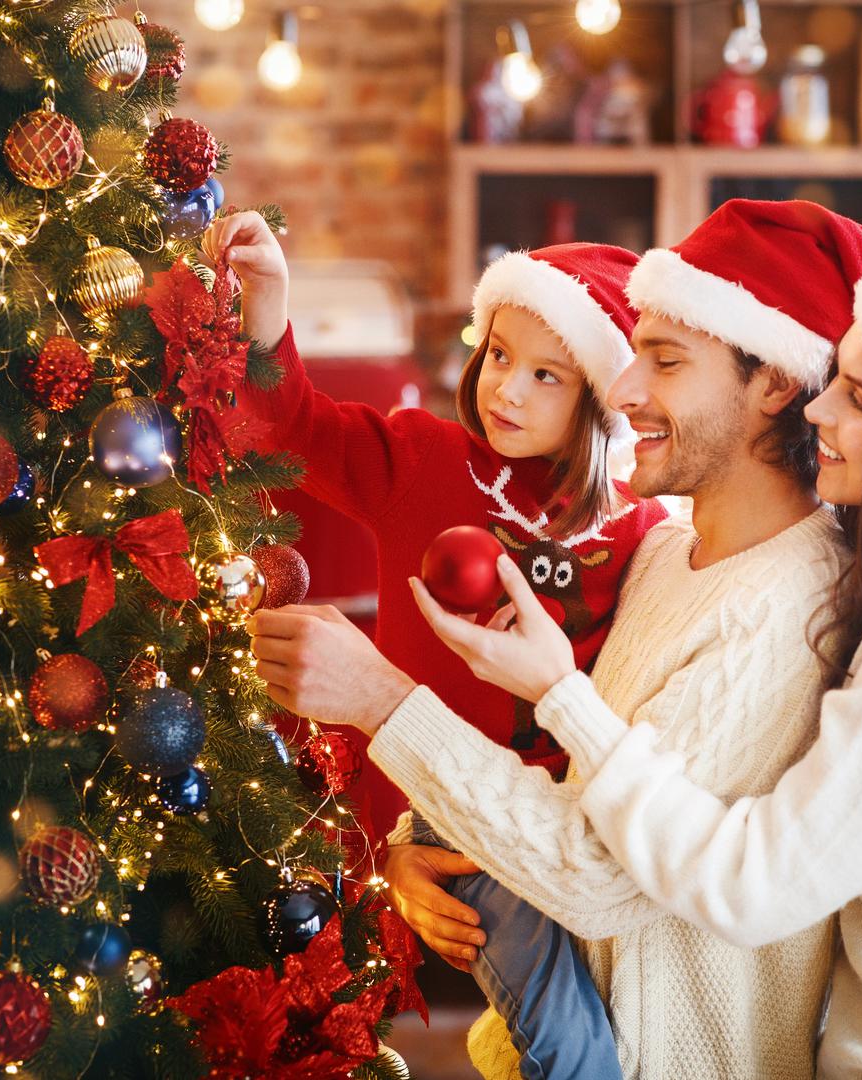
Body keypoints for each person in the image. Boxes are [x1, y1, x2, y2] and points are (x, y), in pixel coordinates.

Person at [412, 238, 862, 1076]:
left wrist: (544, 696)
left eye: (855, 398)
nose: (818, 411)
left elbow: (751, 881)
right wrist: (423, 833)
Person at [247, 200, 862, 1078]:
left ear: (775, 384)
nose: (625, 387)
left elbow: (591, 876)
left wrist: (381, 700)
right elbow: (564, 788)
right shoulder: (669, 559)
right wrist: (417, 842)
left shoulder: (771, 605)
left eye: (664, 361)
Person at [204, 212, 666, 1077]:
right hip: (450, 823)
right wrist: (267, 310)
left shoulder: (638, 528)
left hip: (572, 834)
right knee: (568, 1045)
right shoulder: (422, 461)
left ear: (602, 399)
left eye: (545, 376)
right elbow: (292, 425)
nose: (508, 391)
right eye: (498, 356)